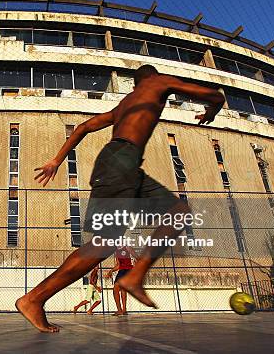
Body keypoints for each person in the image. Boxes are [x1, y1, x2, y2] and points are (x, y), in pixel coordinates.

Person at [17, 65, 225, 332]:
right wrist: (213, 110)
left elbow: (84, 127)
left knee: (178, 212)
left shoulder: (125, 105)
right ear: (150, 78)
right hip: (121, 163)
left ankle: (134, 276)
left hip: (125, 165)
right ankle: (34, 299)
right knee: (105, 243)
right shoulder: (157, 82)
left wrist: (57, 160)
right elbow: (215, 95)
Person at [105, 245, 138, 316]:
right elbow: (118, 265)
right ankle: (123, 310)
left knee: (116, 289)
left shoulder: (127, 247)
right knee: (123, 289)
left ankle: (120, 310)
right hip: (122, 271)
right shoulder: (116, 251)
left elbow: (137, 258)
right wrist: (111, 271)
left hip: (128, 270)